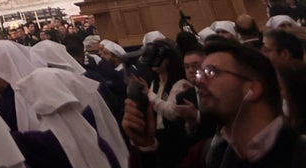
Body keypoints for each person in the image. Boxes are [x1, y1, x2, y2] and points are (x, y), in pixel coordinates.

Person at [123, 39, 306, 167]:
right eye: (200, 73)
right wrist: (145, 146)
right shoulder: (208, 155)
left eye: (211, 72)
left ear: (251, 89)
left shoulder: (297, 154)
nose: (199, 80)